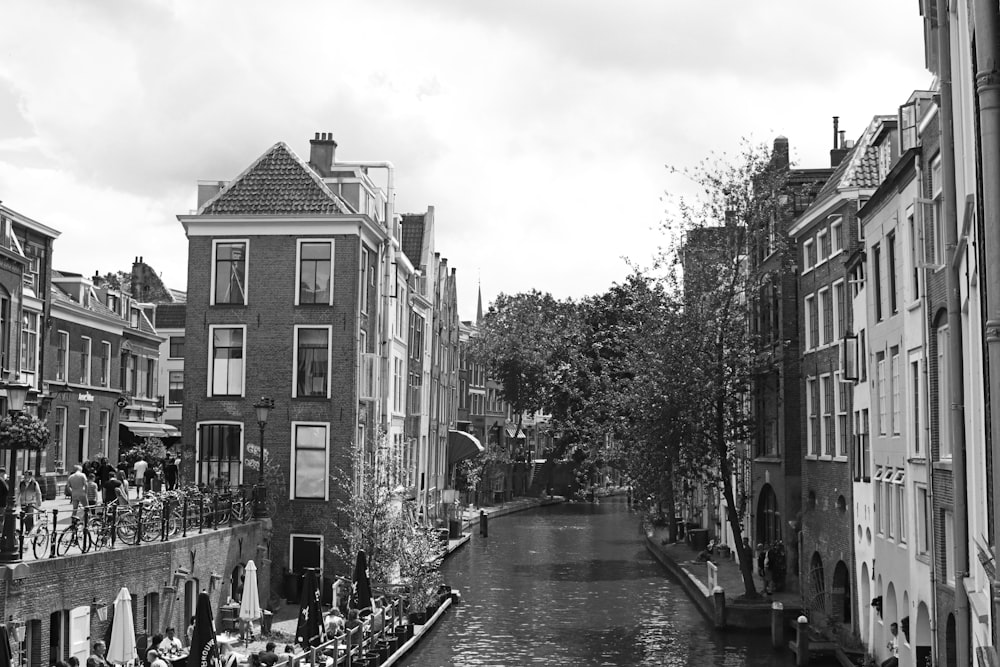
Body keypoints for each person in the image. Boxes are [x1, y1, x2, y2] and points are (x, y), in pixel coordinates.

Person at [18, 469, 42, 533]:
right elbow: (18, 492)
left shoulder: (34, 483)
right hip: (23, 503)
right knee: (24, 517)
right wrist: (16, 502)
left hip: (31, 503)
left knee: (30, 516)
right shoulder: (21, 483)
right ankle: (27, 530)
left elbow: (38, 493)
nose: (25, 477)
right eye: (24, 475)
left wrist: (39, 502)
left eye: (26, 475)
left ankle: (30, 530)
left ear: (30, 476)